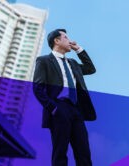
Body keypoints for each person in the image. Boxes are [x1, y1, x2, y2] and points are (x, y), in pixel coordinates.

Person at [33, 29, 96, 166]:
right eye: (66, 37)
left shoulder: (73, 64)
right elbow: (38, 88)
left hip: (76, 110)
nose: (69, 40)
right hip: (59, 108)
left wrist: (78, 49)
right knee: (60, 152)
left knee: (84, 152)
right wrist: (54, 109)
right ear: (56, 41)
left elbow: (91, 69)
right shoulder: (44, 61)